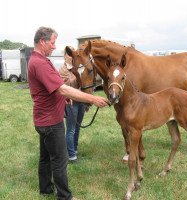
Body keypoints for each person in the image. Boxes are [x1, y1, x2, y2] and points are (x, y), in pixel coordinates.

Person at [28, 26, 109, 200]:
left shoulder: (37, 59)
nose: (54, 46)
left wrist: (63, 99)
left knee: (45, 157)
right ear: (42, 42)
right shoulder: (40, 63)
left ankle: (45, 189)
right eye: (52, 42)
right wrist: (92, 99)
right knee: (60, 159)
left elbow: (52, 90)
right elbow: (62, 89)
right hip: (51, 122)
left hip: (42, 120)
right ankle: (65, 197)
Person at [59, 46, 86, 162]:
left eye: (73, 53)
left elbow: (83, 85)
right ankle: (71, 155)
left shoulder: (78, 68)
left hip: (81, 102)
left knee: (78, 127)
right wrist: (77, 75)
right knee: (71, 129)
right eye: (69, 54)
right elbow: (66, 86)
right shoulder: (63, 70)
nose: (71, 56)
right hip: (71, 102)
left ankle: (74, 149)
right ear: (65, 56)